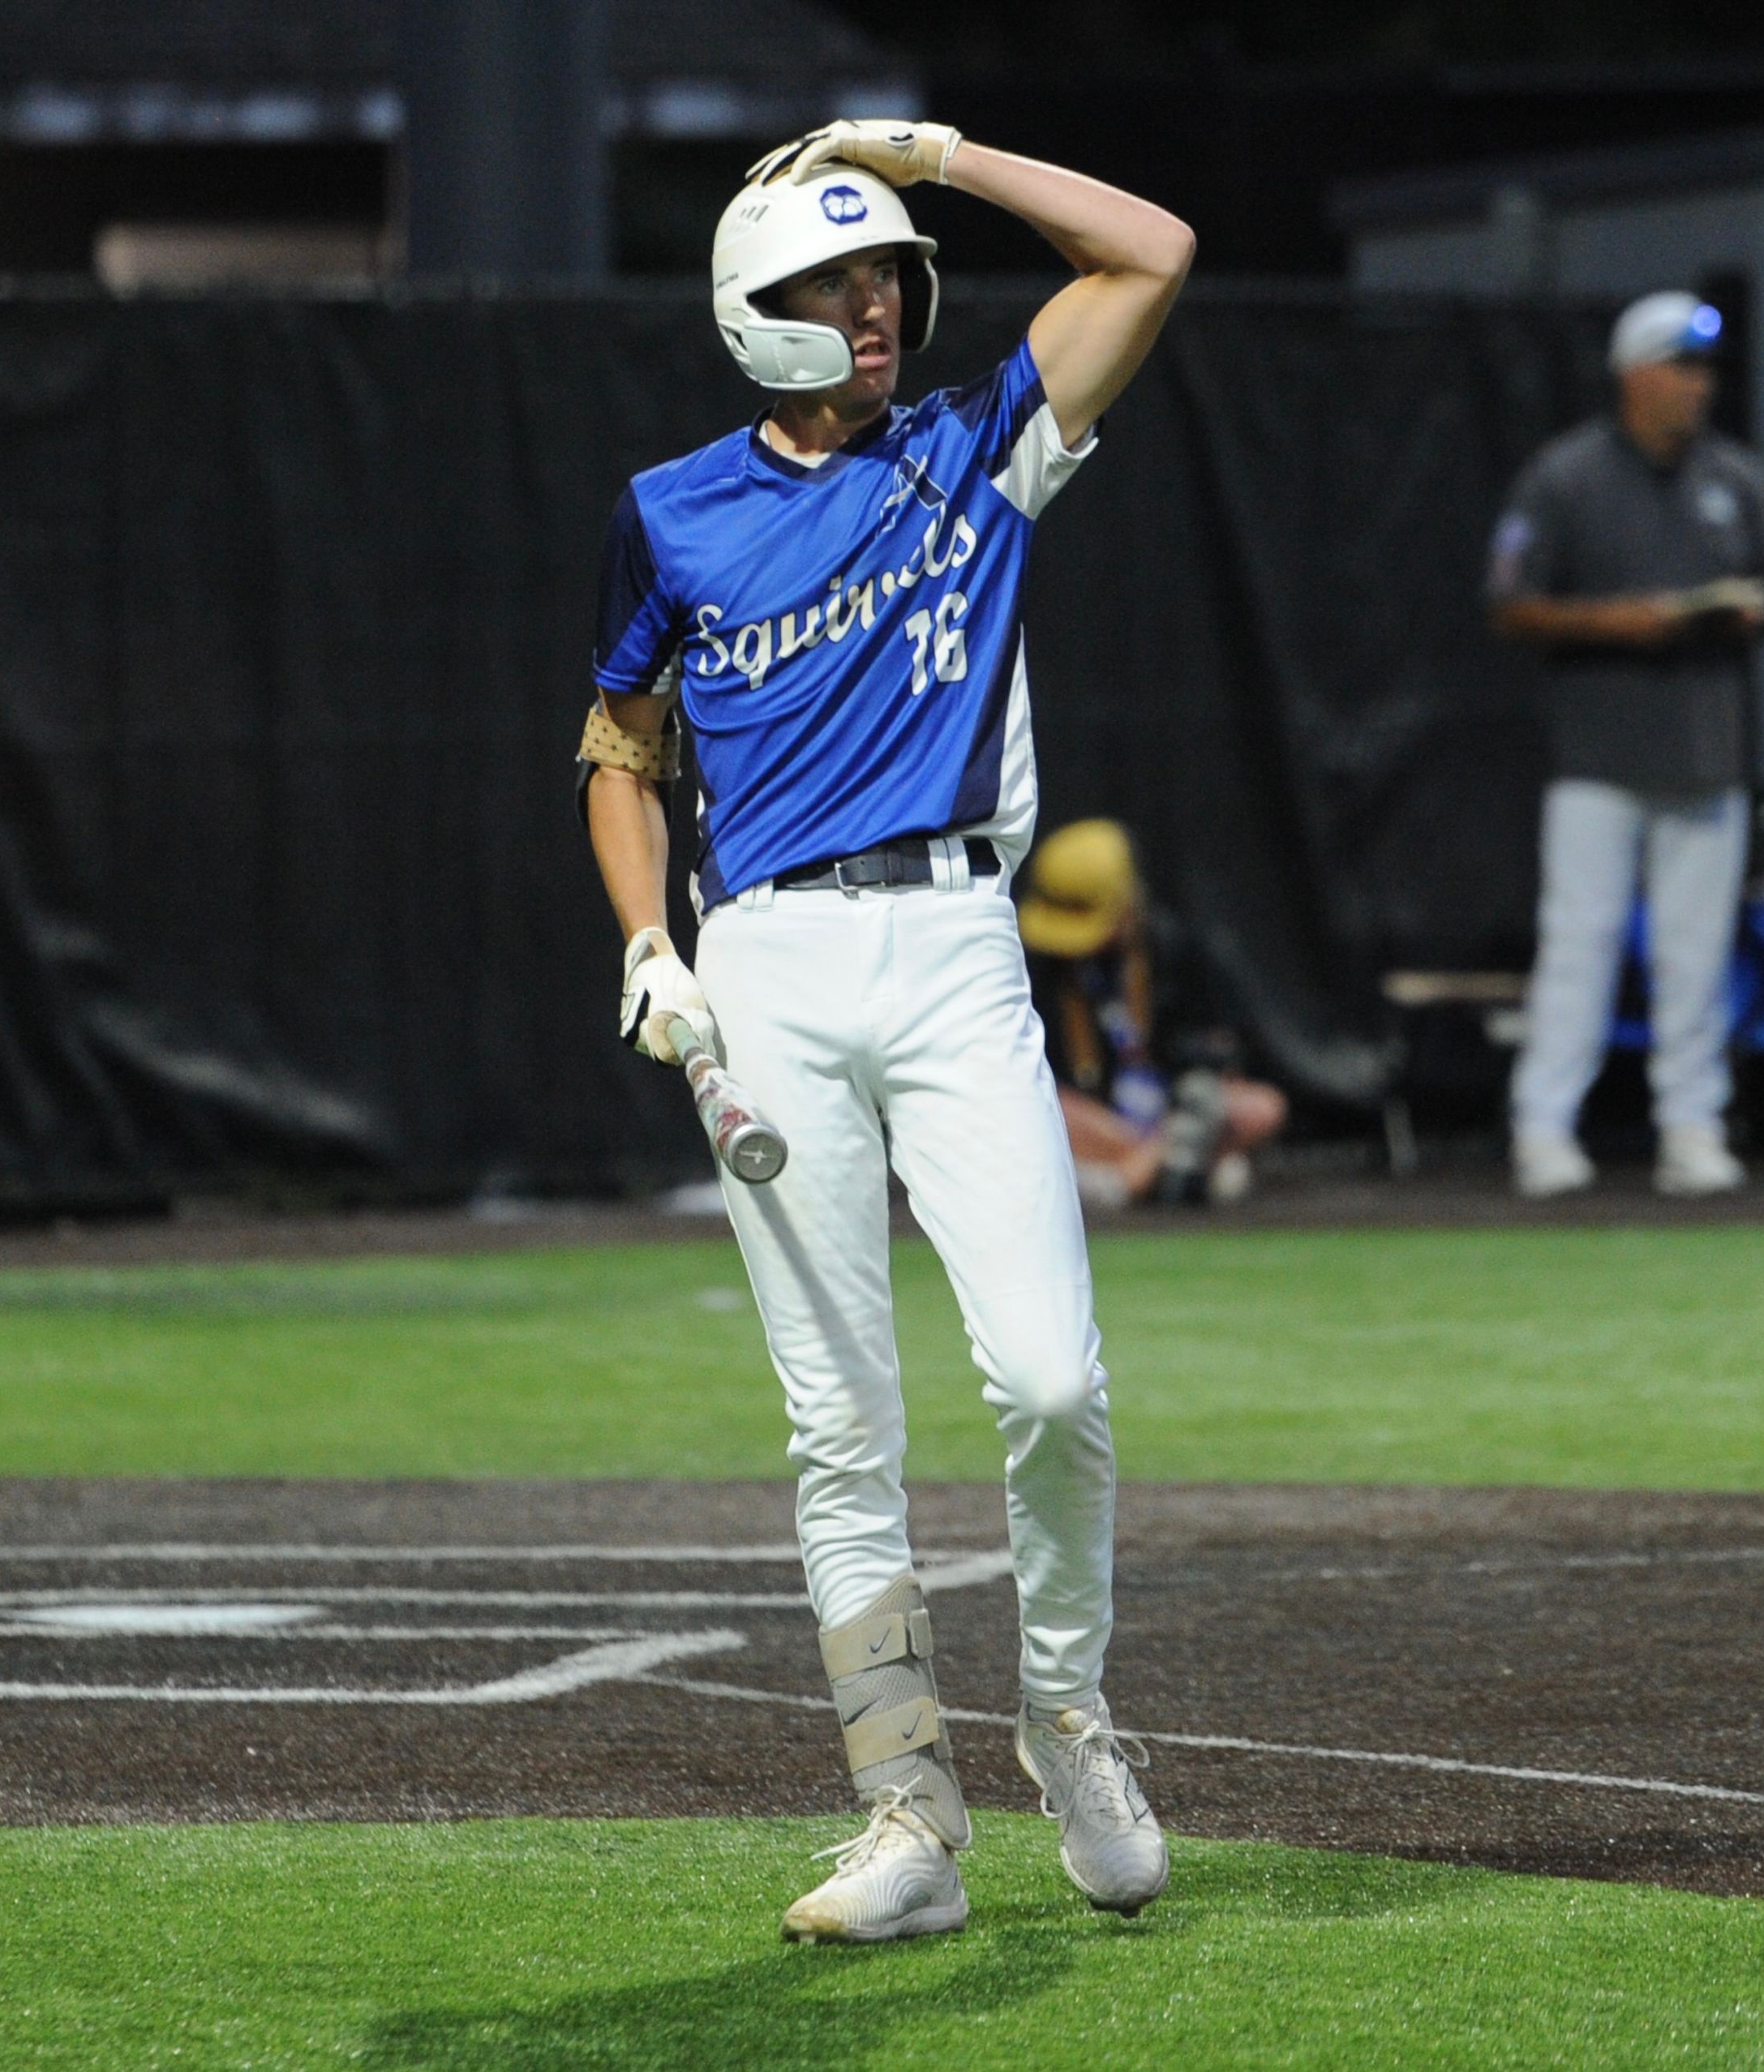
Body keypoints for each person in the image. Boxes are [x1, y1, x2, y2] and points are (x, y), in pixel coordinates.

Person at [578, 118, 1191, 1945]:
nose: (876, 305)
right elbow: (619, 747)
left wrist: (927, 152)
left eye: (889, 274)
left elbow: (1151, 247)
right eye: (836, 279)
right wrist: (648, 942)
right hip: (762, 964)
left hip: (949, 936)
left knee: (1054, 1379)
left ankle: (1066, 1712)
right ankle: (903, 1807)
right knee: (840, 1421)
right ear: (748, 309)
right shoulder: (670, 506)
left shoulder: (972, 450)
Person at [1486, 290, 1764, 1199]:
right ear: (1634, 374)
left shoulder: (1737, 478)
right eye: (1681, 366)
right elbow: (1510, 601)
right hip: (1598, 756)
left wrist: (1756, 609)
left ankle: (1691, 1126)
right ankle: (1545, 1128)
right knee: (1579, 942)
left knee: (1697, 954)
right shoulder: (1566, 475)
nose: (1697, 386)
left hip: (1707, 753)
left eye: (1706, 368)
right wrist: (1615, 622)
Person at [1019, 817, 1289, 1208]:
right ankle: (1161, 1172)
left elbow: (1221, 1061)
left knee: (1261, 1106)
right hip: (1092, 1119)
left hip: (1174, 1120)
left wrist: (1194, 1099)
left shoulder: (1176, 951)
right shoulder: (1038, 967)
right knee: (1040, 1103)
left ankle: (1129, 1177)